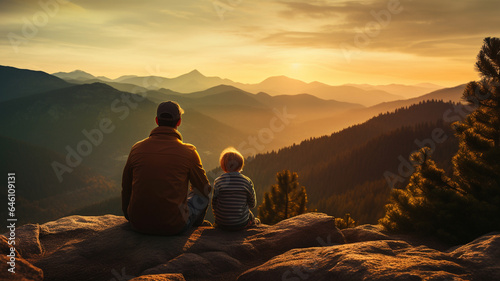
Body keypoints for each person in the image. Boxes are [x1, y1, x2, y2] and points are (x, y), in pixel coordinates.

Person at [121, 101, 211, 235]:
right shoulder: (189, 152)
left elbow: (126, 186)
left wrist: (130, 216)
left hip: (138, 223)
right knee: (201, 194)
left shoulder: (137, 148)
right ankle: (194, 225)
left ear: (157, 120)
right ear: (179, 122)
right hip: (173, 225)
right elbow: (204, 189)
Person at [212, 147, 260, 231]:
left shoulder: (218, 181)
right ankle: (254, 223)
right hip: (240, 223)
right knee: (252, 216)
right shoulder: (246, 181)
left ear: (223, 166)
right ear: (241, 165)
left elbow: (214, 203)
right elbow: (252, 204)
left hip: (221, 223)